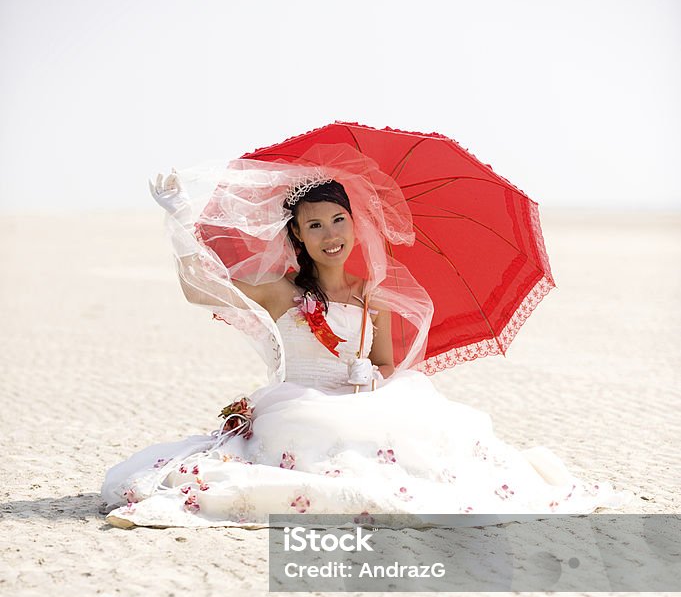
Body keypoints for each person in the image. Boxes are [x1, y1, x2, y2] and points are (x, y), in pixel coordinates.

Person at [100, 156, 633, 529]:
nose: (332, 234)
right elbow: (201, 290)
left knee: (429, 416)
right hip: (297, 400)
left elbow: (382, 365)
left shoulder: (369, 295)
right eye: (316, 226)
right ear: (298, 238)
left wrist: (370, 373)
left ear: (355, 226)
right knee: (313, 431)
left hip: (357, 400)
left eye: (340, 221)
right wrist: (180, 219)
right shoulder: (281, 291)